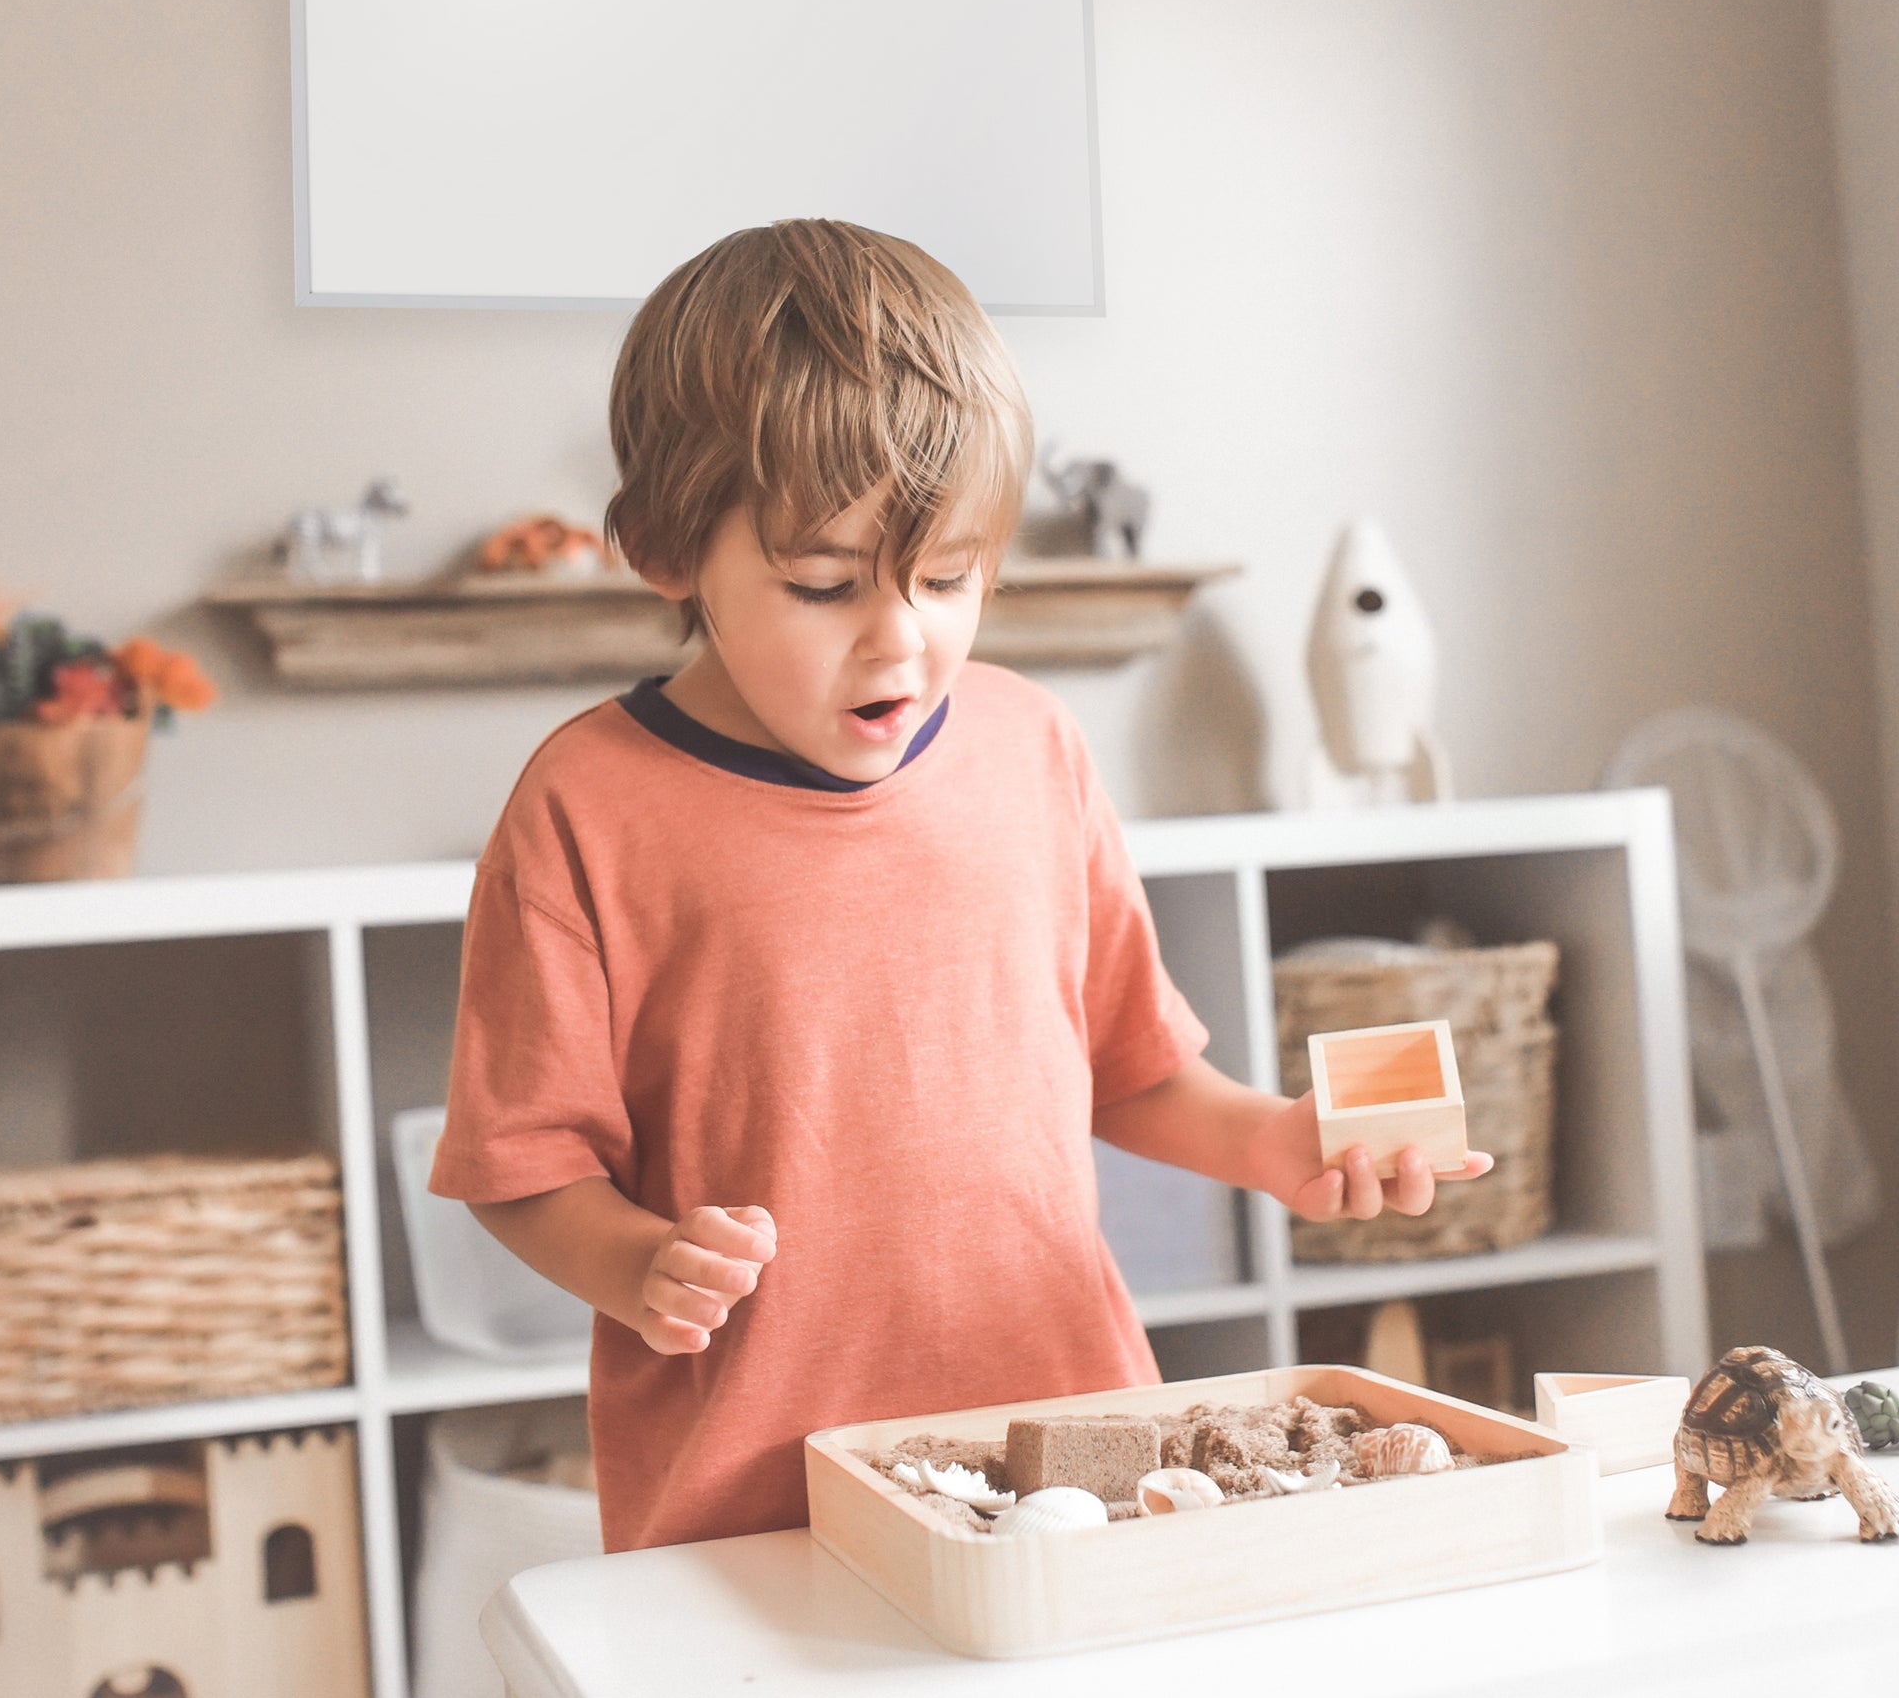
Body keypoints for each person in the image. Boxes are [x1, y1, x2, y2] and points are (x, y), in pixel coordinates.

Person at [431, 219, 1491, 1551]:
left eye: (949, 579)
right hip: (758, 1502)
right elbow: (519, 1163)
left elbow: (1130, 1066)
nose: (901, 638)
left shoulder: (1032, 747)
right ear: (665, 550)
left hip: (1074, 1458)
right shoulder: (585, 806)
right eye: (823, 586)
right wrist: (636, 1264)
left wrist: (1272, 1145)